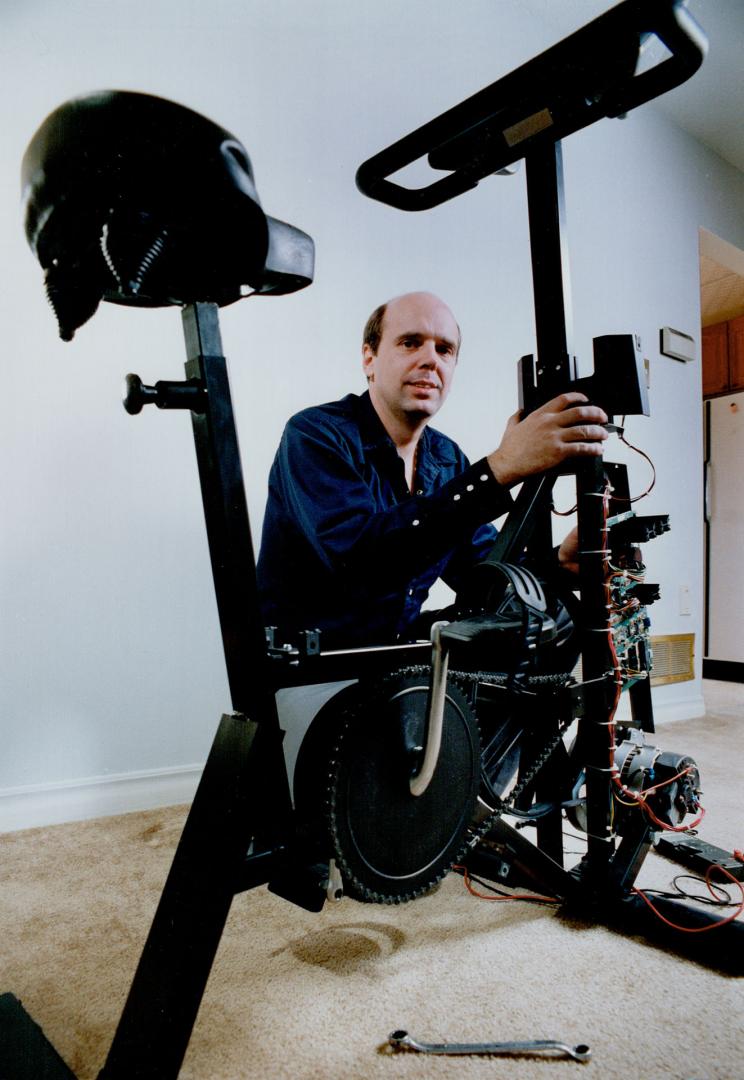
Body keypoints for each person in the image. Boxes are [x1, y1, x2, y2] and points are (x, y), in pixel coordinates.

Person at [257, 291, 608, 650]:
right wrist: (500, 467)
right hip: (317, 665)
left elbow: (483, 571)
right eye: (410, 343)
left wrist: (558, 563)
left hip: (396, 655)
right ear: (369, 358)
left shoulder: (444, 456)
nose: (430, 360)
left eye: (444, 349)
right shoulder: (315, 434)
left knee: (548, 640)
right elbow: (361, 562)